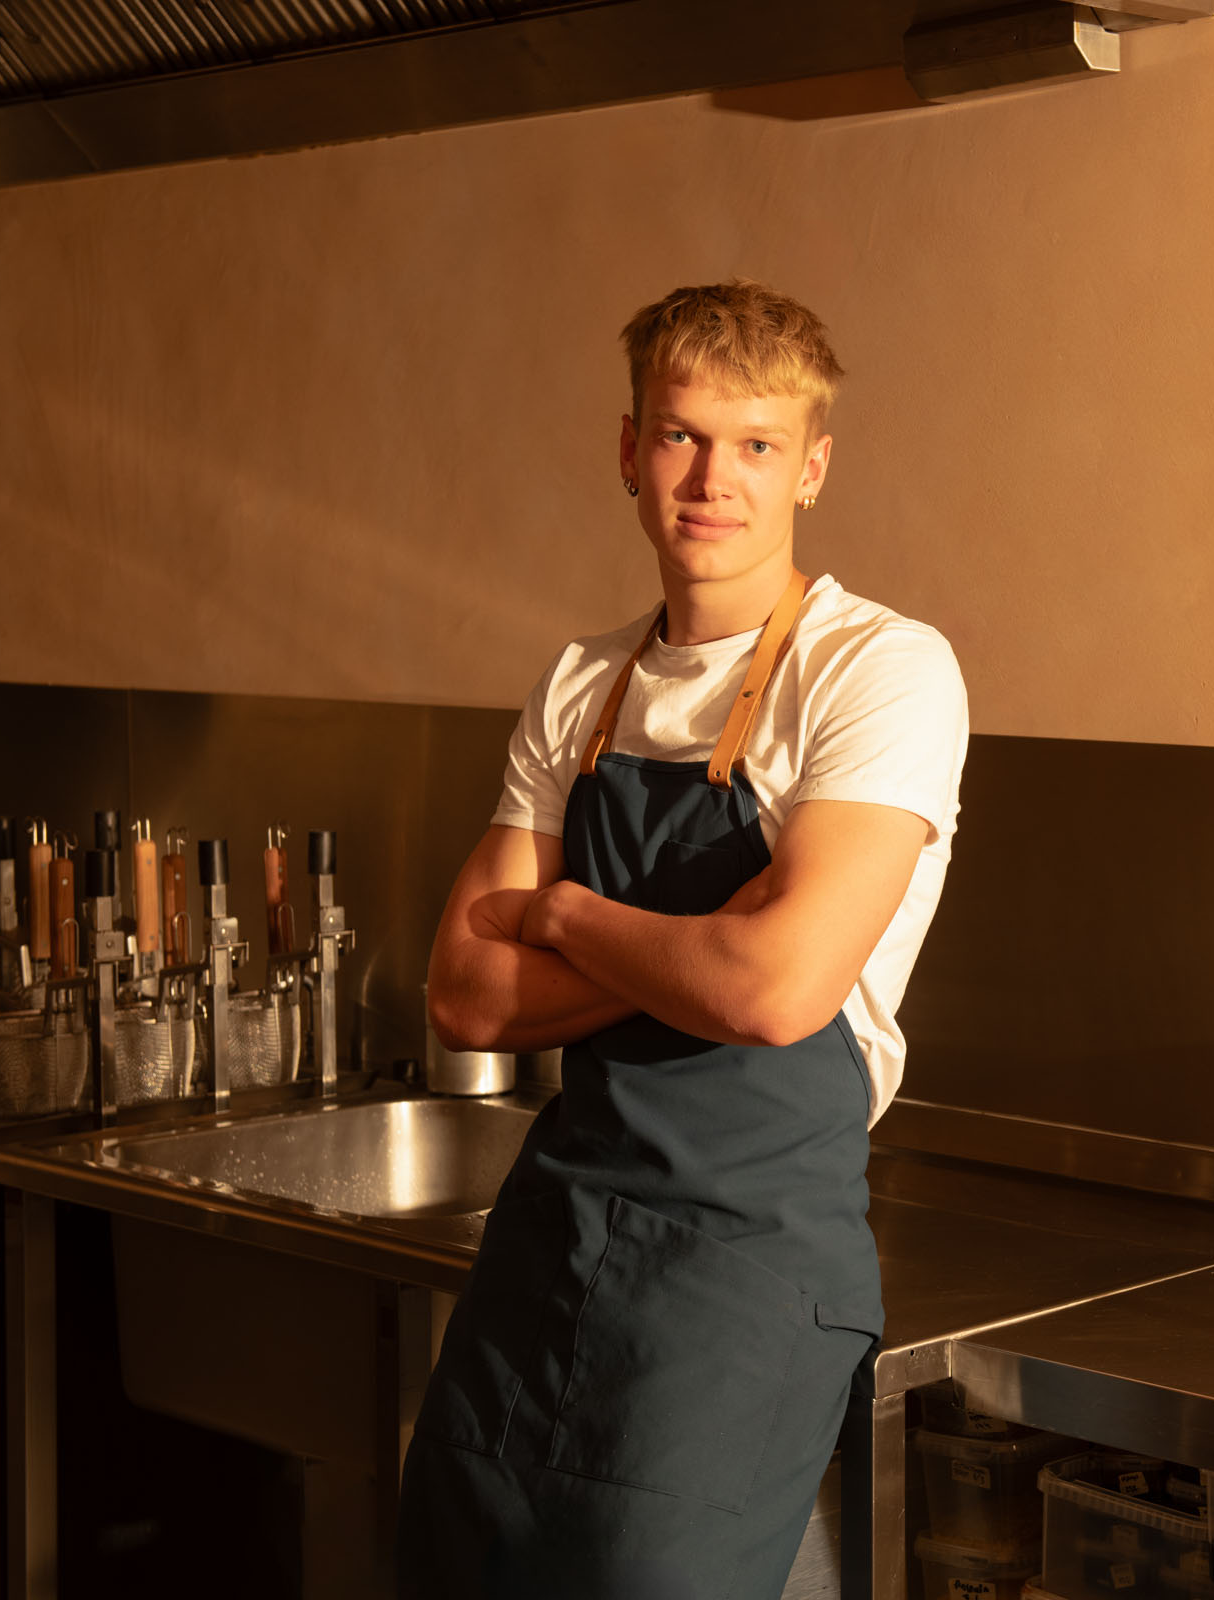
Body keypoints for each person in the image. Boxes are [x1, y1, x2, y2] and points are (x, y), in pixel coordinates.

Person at [397, 279, 970, 1599]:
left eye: (757, 445)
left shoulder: (879, 670)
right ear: (629, 451)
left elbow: (776, 994)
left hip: (740, 1272)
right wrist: (691, 950)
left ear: (812, 467)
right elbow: (469, 997)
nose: (715, 479)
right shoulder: (580, 683)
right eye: (681, 436)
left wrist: (571, 915)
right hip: (551, 1241)